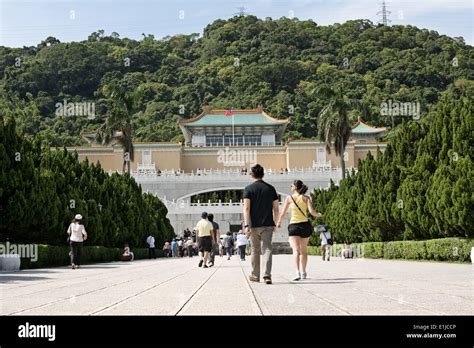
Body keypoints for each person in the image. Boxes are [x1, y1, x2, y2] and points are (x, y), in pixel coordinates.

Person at [277, 180, 322, 281]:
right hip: (305, 225)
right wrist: (319, 214)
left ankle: (297, 272)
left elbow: (283, 213)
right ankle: (303, 272)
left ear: (295, 187)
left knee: (296, 250)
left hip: (294, 226)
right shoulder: (306, 198)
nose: (290, 187)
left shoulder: (289, 198)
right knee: (304, 251)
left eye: (291, 186)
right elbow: (311, 212)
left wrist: (279, 222)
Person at [243, 164, 279, 285]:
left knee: (255, 249)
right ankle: (267, 275)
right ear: (263, 174)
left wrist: (247, 225)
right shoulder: (271, 189)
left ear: (252, 175)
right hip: (268, 224)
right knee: (267, 248)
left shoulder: (248, 189)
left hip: (253, 225)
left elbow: (246, 208)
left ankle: (254, 275)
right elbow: (276, 209)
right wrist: (275, 222)